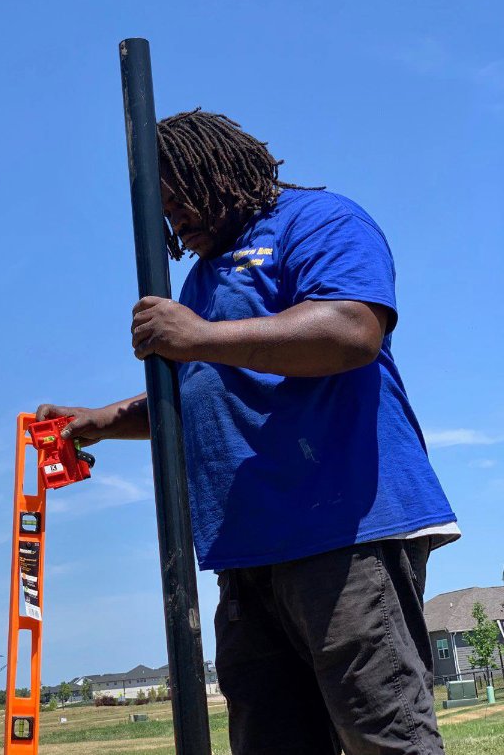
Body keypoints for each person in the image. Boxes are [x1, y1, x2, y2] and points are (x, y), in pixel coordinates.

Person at [37, 109, 458, 755]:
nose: (174, 220)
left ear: (220, 172)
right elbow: (198, 393)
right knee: (270, 739)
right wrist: (98, 421)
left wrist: (197, 335)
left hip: (342, 530)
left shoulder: (318, 220)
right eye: (164, 208)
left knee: (382, 735)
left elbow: (351, 330)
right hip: (246, 549)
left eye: (180, 199)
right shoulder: (202, 279)